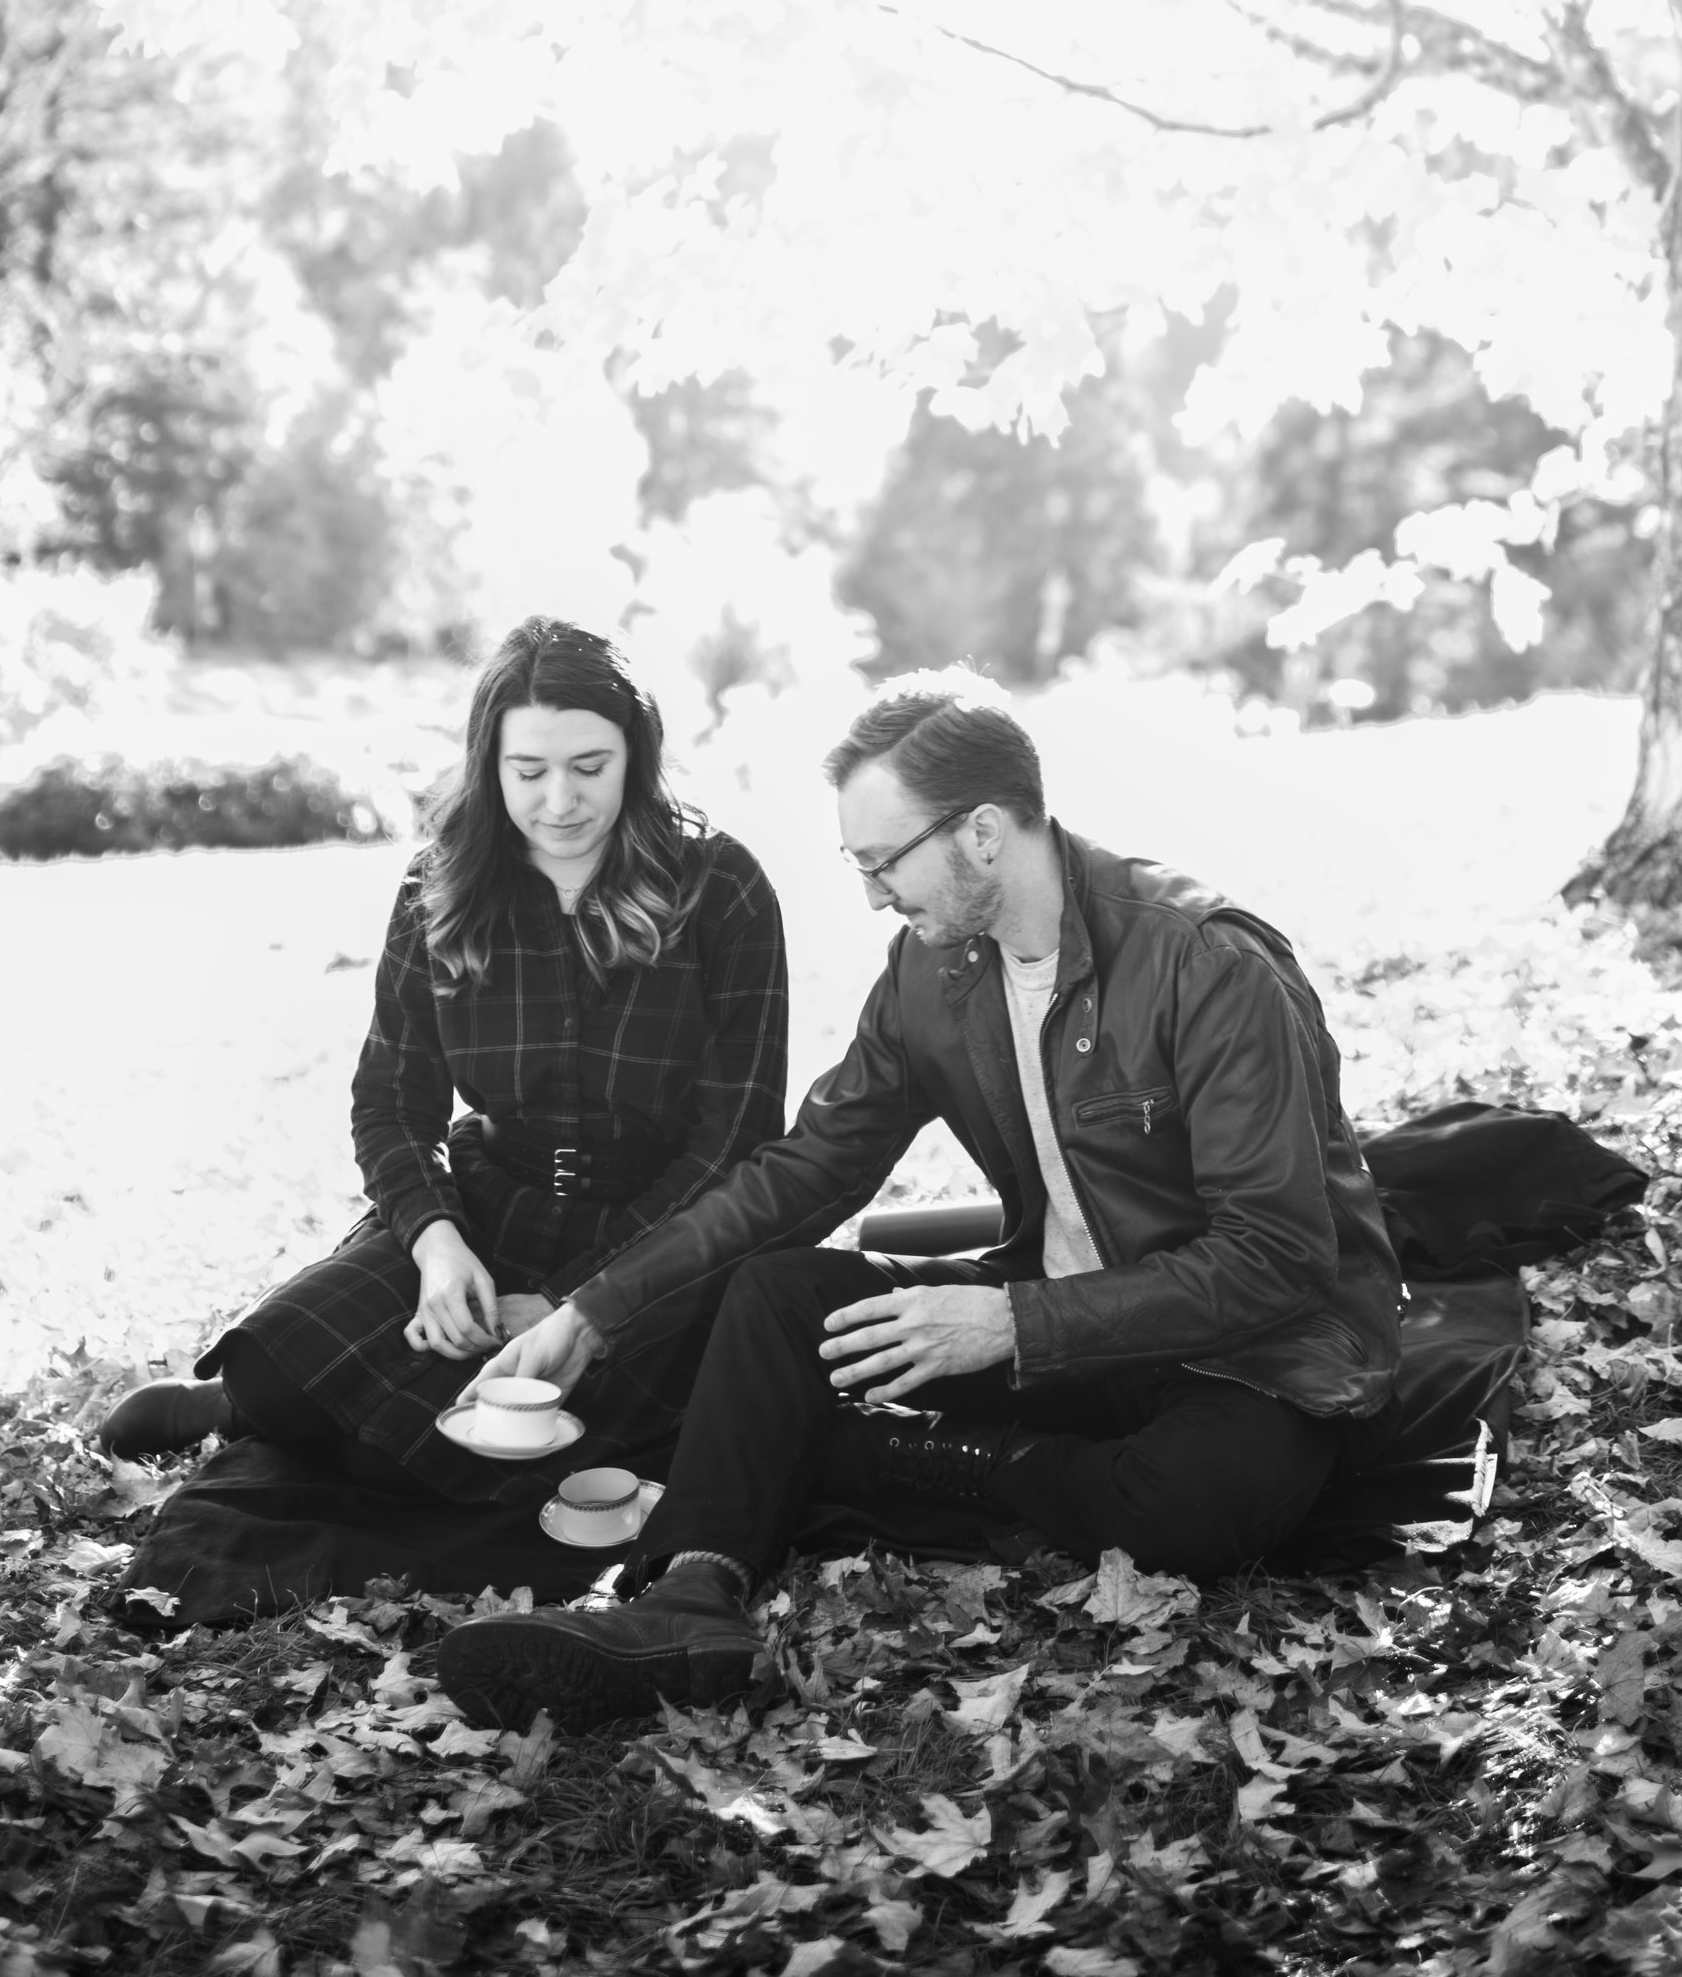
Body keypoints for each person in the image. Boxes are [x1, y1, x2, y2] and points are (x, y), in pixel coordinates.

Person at [430, 670, 1401, 1725]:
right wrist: (597, 1311)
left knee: (1196, 1499)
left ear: (982, 832)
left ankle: (867, 1454)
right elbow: (809, 1169)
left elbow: (1275, 1258)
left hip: (1252, 1358)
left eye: (882, 863)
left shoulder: (1207, 964)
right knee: (773, 1295)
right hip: (1063, 1326)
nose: (873, 896)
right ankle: (688, 1596)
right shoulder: (928, 972)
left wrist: (1007, 1322)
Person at [94, 616, 788, 1527]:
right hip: (493, 1206)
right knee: (272, 1365)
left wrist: (586, 1296)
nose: (560, 802)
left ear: (638, 755)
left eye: (591, 766)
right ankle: (246, 1404)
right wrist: (436, 1244)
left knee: (517, 1436)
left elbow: (734, 1141)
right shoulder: (442, 887)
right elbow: (389, 1101)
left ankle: (353, 1426)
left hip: (664, 1230)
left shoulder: (719, 887)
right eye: (528, 771)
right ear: (489, 763)